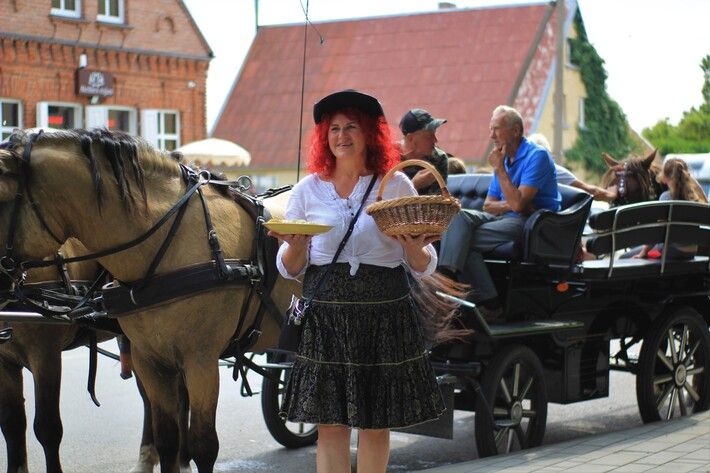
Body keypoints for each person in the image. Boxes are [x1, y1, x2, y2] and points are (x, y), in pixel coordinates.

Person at [268, 90, 446, 473]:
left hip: (382, 314)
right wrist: (295, 248)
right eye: (334, 128)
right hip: (328, 316)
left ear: (369, 134)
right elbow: (290, 267)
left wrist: (415, 248)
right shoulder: (307, 190)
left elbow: (423, 264)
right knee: (330, 426)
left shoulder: (394, 185)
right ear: (324, 136)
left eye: (351, 126)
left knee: (374, 424)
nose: (341, 135)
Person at [438, 106, 560, 320]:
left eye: (496, 129)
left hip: (534, 222)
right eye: (491, 129)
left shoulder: (537, 156)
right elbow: (488, 205)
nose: (491, 135)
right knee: (456, 215)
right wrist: (512, 203)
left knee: (465, 240)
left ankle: (448, 287)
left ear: (515, 131)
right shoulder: (502, 158)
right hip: (508, 216)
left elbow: (520, 207)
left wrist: (501, 172)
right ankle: (462, 286)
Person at [629, 157, 707, 260]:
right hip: (691, 252)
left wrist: (643, 252)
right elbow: (707, 205)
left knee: (625, 256)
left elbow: (658, 231)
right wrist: (696, 185)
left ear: (665, 178)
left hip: (670, 252)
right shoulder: (694, 199)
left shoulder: (666, 198)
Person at [527, 133, 615, 201]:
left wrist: (611, 195)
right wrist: (611, 195)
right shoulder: (556, 171)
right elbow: (587, 188)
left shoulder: (522, 171)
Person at [398, 108, 450, 195]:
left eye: (435, 133)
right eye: (429, 136)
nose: (435, 140)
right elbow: (384, 201)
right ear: (411, 138)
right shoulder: (389, 157)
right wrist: (412, 185)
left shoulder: (439, 158)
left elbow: (437, 203)